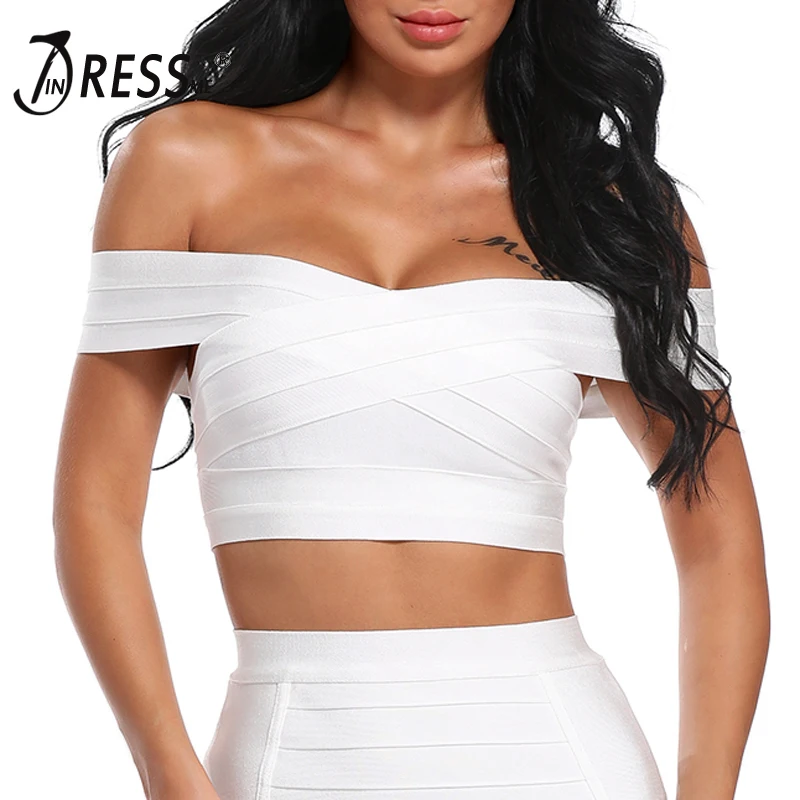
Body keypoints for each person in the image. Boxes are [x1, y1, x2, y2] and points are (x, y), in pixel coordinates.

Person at [53, 2, 769, 799]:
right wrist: (166, 769)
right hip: (285, 759)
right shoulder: (185, 161)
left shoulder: (608, 202)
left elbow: (718, 539)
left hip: (560, 754)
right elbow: (95, 506)